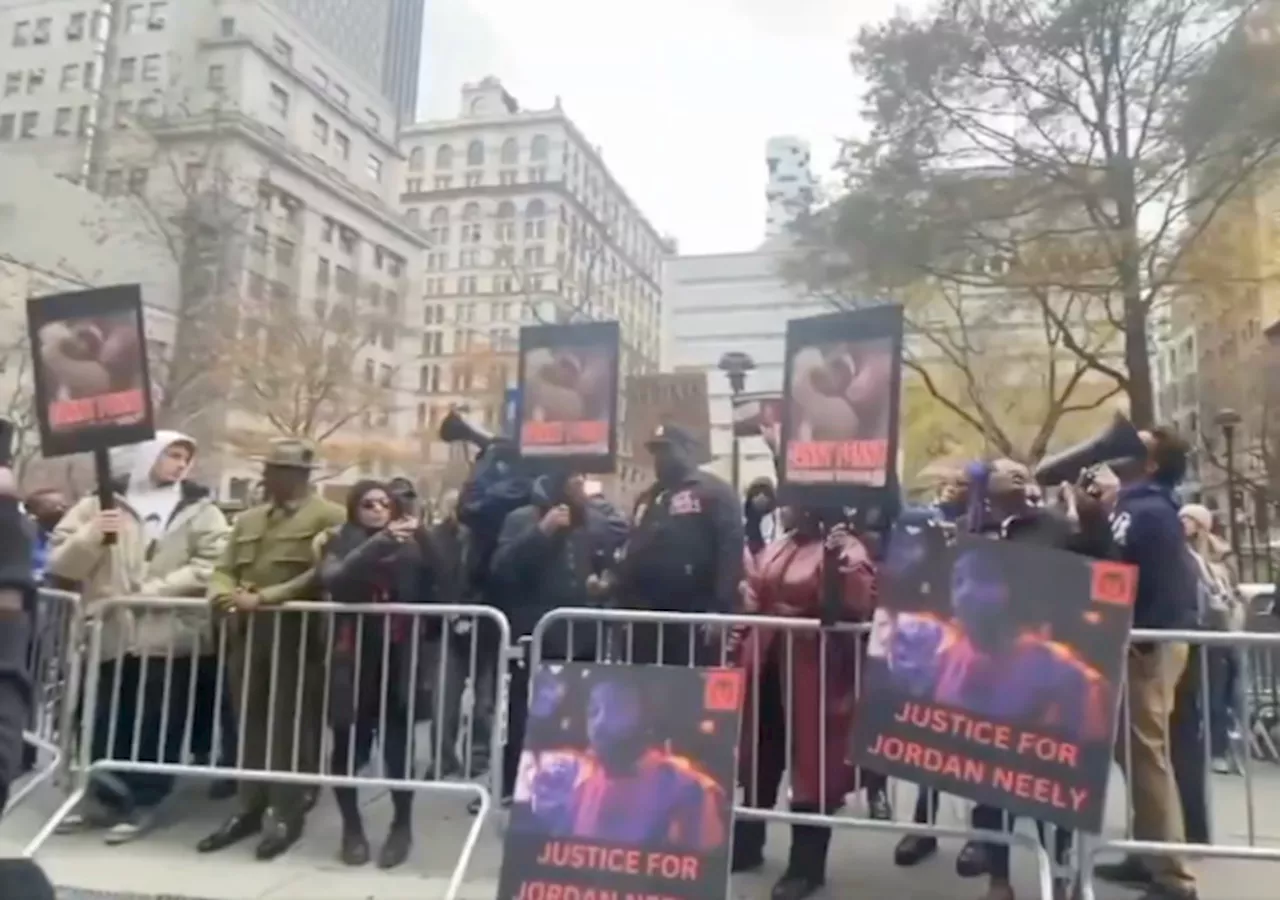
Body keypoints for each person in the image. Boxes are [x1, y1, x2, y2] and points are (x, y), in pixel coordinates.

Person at [46, 431, 230, 843]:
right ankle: (101, 797)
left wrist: (155, 590)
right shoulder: (98, 503)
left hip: (169, 636)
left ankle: (145, 801)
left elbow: (214, 561)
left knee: (157, 723)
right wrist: (93, 533)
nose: (180, 464)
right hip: (108, 633)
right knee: (101, 719)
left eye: (186, 457)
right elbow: (62, 562)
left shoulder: (201, 509)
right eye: (173, 455)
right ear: (149, 456)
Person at [198, 438, 344, 861]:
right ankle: (249, 804)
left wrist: (268, 597)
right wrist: (222, 593)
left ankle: (286, 809)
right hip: (247, 632)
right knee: (249, 719)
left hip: (298, 634)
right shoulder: (248, 520)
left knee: (290, 723)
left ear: (298, 475)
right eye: (268, 469)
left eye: (276, 470)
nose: (267, 478)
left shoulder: (330, 516)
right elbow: (223, 568)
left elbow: (322, 575)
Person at [731, 513, 877, 900]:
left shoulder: (847, 547)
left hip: (816, 675)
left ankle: (806, 866)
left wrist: (833, 564)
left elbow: (851, 606)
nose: (786, 506)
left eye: (795, 499)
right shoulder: (782, 543)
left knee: (814, 770)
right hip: (767, 665)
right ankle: (747, 844)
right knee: (760, 759)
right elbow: (756, 596)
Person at [1095, 428, 1200, 900]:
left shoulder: (1153, 512)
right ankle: (1148, 852)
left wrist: (1143, 638)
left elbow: (1168, 584)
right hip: (1140, 643)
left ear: (1152, 464)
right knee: (1132, 753)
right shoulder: (1133, 505)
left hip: (1149, 646)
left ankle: (1173, 878)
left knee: (1146, 754)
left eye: (1137, 444)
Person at [317, 480, 438, 869]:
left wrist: (421, 532)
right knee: (348, 747)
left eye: (385, 503)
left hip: (399, 657)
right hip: (353, 659)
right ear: (354, 509)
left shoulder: (411, 544)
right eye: (368, 504)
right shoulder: (341, 540)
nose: (377, 509)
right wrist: (380, 541)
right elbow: (335, 579)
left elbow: (444, 580)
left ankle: (402, 825)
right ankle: (352, 828)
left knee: (399, 748)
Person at [490, 471, 628, 802]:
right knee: (526, 714)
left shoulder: (591, 522)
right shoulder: (522, 519)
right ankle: (515, 784)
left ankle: (577, 785)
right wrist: (542, 532)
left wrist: (604, 583)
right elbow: (502, 569)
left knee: (580, 713)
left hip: (582, 636)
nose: (578, 489)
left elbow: (607, 563)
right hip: (537, 636)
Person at [516, 675, 726, 848]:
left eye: (617, 708)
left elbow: (702, 875)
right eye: (593, 711)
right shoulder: (574, 778)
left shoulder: (686, 786)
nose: (600, 722)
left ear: (645, 715)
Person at [616, 424, 743, 666]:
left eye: (666, 450)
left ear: (686, 451)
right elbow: (634, 545)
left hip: (693, 615)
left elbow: (731, 548)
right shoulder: (649, 497)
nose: (660, 459)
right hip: (646, 617)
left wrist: (721, 608)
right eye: (656, 453)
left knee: (691, 690)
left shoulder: (713, 492)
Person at [1179, 504, 1244, 776]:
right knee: (1195, 692)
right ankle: (1200, 746)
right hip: (1197, 629)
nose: (1182, 523)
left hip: (1219, 630)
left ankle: (1219, 747)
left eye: (1188, 519)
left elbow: (1230, 590)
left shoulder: (1218, 555)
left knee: (1219, 691)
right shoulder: (1183, 552)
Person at [24, 489, 69, 585]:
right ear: (33, 513)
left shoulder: (72, 536)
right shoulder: (23, 539)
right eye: (53, 506)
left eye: (64, 506)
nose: (60, 509)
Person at [744, 477, 780, 558]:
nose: (761, 496)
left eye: (765, 493)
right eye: (756, 492)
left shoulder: (777, 519)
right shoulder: (743, 518)